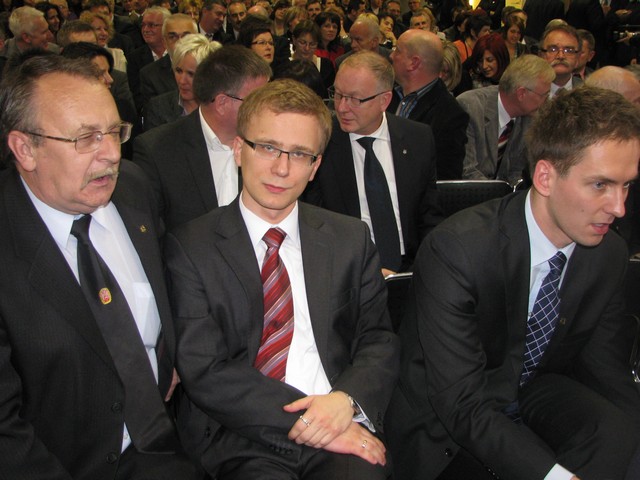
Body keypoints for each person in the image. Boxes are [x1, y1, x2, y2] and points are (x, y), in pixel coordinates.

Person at [387, 84, 640, 480]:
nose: (619, 207)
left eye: (626, 185)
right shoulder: (459, 250)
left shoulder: (607, 253)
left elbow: (607, 370)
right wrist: (555, 476)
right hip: (446, 419)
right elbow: (461, 403)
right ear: (545, 177)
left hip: (533, 389)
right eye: (600, 185)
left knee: (621, 434)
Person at [166, 77, 399, 480]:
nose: (281, 168)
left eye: (300, 154)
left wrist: (345, 401)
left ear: (315, 167)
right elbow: (206, 369)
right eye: (268, 147)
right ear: (239, 149)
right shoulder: (191, 246)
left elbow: (378, 339)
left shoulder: (349, 238)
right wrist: (313, 423)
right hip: (240, 432)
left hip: (337, 415)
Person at [0, 53, 200, 479]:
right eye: (86, 138)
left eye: (114, 131)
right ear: (25, 149)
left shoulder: (133, 188)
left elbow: (170, 287)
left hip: (166, 444)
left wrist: (170, 355)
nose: (110, 154)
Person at [304, 50, 442, 274]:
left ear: (384, 100)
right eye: (338, 94)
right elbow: (313, 223)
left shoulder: (418, 138)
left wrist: (428, 268)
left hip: (411, 267)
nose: (342, 107)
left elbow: (429, 215)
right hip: (349, 267)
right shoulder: (320, 142)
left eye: (355, 99)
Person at [133, 45, 271, 231]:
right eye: (257, 100)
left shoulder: (273, 146)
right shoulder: (157, 151)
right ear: (222, 103)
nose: (266, 109)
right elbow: (152, 232)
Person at [457, 54, 555, 184]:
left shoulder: (530, 118)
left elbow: (517, 173)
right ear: (521, 93)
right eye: (544, 95)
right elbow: (467, 171)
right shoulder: (470, 107)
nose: (546, 101)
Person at [389, 29, 468, 180]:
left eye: (397, 51)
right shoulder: (386, 92)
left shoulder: (450, 114)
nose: (391, 56)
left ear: (414, 63)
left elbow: (443, 179)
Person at [145, 34, 221, 130]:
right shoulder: (158, 107)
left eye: (191, 74)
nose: (182, 81)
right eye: (179, 71)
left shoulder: (222, 107)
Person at [538, 23, 582, 98]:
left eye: (568, 50)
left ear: (578, 58)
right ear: (541, 56)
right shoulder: (526, 91)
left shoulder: (589, 93)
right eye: (553, 49)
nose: (561, 56)